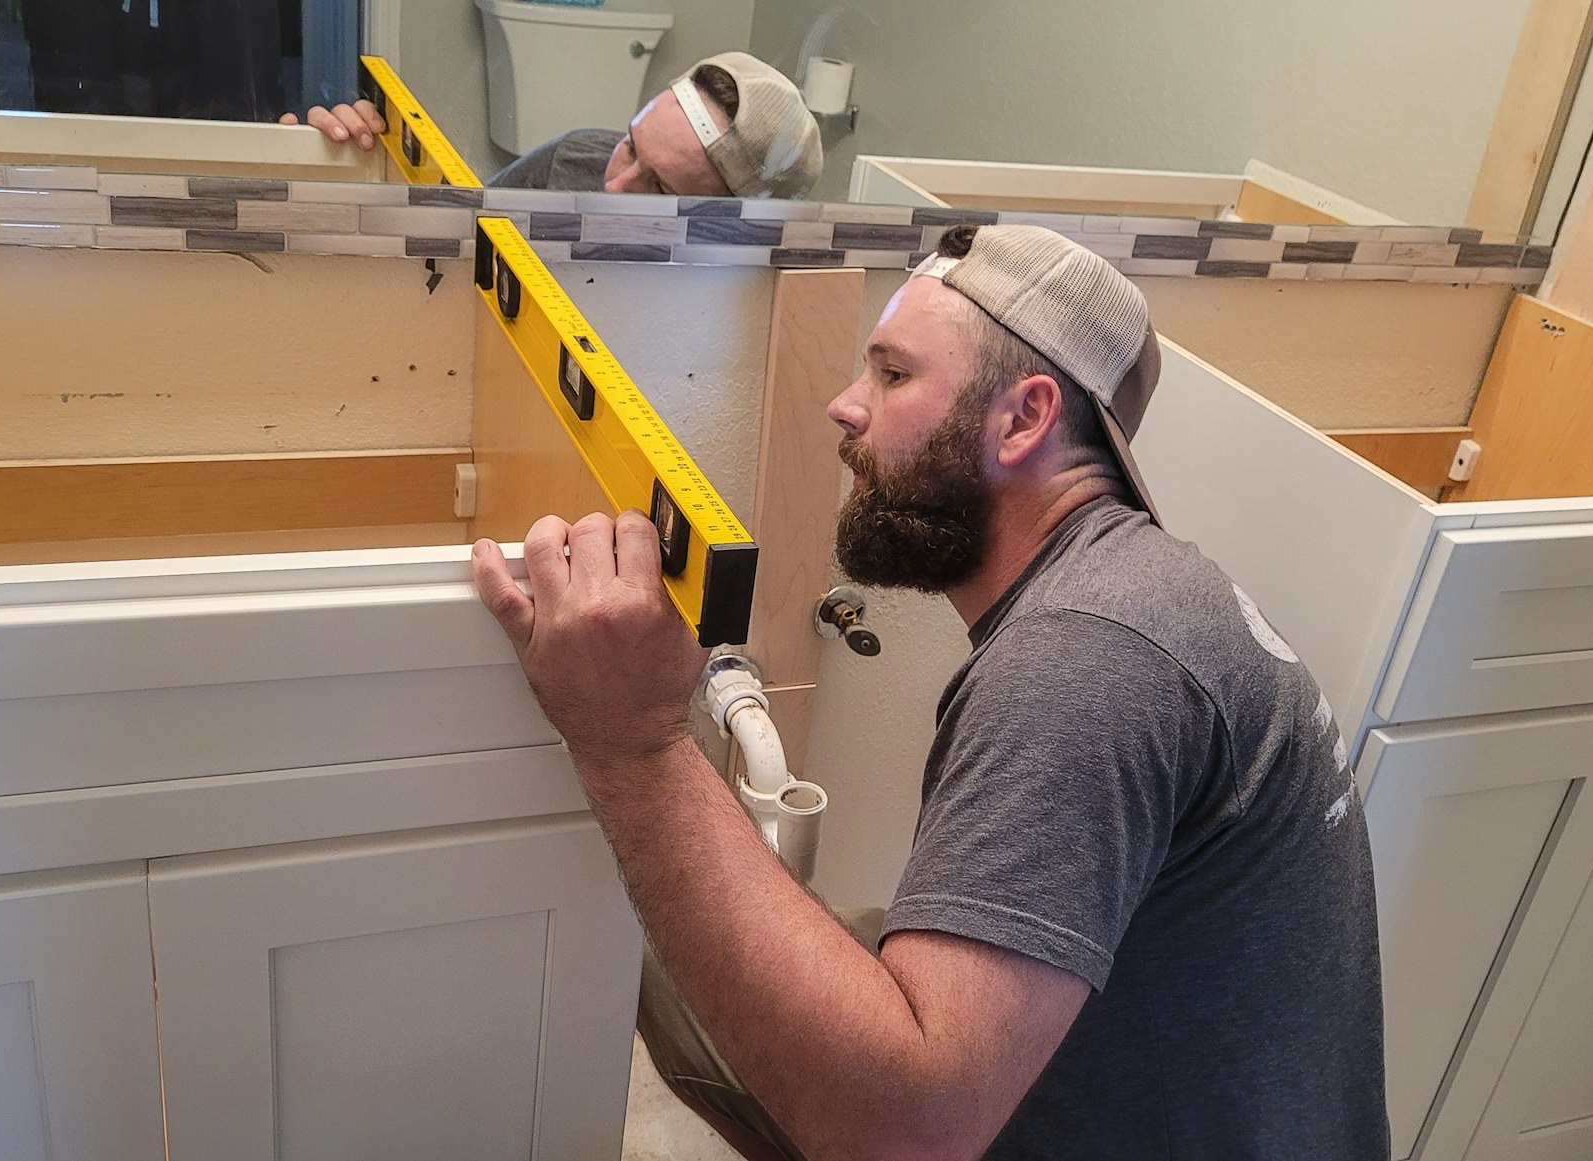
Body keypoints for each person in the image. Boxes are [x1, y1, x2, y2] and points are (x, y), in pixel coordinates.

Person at [468, 225, 1390, 1160]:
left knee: (692, 974)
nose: (843, 406)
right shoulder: (1134, 591)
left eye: (893, 375)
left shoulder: (1085, 660)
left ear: (1024, 420)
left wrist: (634, 741)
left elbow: (907, 1134)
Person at [289, 51, 822, 199]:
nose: (612, 185)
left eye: (659, 187)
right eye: (631, 146)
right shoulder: (577, 158)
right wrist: (345, 167)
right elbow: (455, 239)